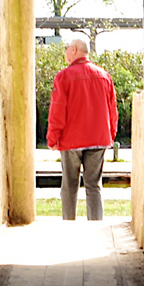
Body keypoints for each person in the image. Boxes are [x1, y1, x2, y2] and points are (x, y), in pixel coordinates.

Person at [45, 37, 118, 221]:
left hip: (72, 140)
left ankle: (68, 225)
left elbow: (57, 111)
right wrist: (111, 133)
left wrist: (52, 139)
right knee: (94, 186)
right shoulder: (104, 76)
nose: (65, 51)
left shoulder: (63, 77)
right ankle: (96, 225)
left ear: (74, 50)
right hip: (99, 138)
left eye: (67, 47)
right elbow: (112, 111)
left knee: (69, 186)